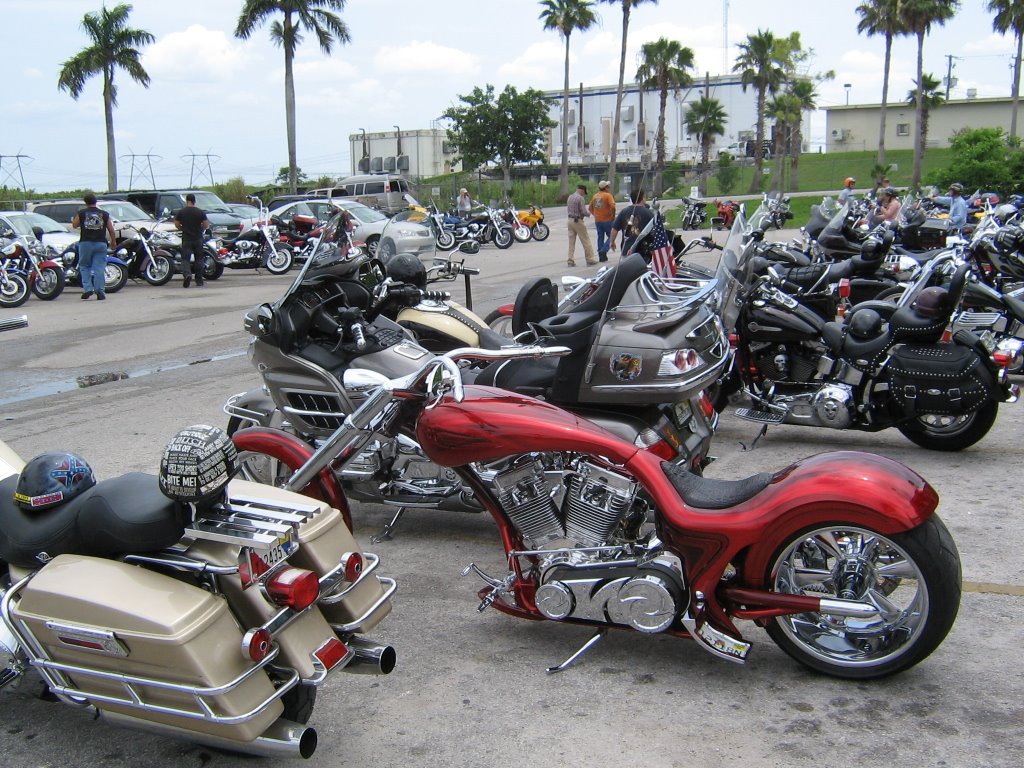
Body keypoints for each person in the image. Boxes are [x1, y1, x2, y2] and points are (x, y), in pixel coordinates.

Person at [71, 192, 116, 301]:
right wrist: (113, 241)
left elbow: (74, 225)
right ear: (96, 201)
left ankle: (87, 289)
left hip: (85, 242)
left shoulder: (82, 213)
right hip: (101, 243)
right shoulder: (104, 214)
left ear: (85, 202)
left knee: (85, 265)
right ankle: (100, 291)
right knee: (99, 267)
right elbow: (111, 229)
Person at [174, 193, 209, 287]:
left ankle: (187, 274)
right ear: (194, 201)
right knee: (199, 259)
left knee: (185, 259)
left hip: (186, 238)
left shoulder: (182, 212)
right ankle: (199, 280)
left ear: (187, 200)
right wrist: (201, 229)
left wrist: (182, 228)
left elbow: (176, 223)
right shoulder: (200, 212)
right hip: (198, 238)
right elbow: (206, 224)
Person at [609, 188, 654, 255]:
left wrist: (612, 242)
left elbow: (614, 229)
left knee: (627, 265)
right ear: (642, 199)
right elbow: (654, 230)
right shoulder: (648, 213)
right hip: (643, 249)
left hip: (626, 248)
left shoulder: (623, 212)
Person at [566, 183, 597, 267]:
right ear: (582, 190)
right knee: (586, 240)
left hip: (570, 220)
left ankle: (570, 260)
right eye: (584, 192)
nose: (584, 194)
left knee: (571, 242)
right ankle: (590, 259)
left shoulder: (570, 197)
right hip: (578, 221)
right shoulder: (580, 198)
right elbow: (583, 211)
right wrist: (589, 214)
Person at [588, 179, 616, 262]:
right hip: (607, 219)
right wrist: (613, 215)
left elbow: (590, 208)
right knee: (611, 236)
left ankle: (601, 255)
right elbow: (613, 206)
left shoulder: (595, 196)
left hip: (598, 220)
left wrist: (595, 214)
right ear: (606, 188)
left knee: (600, 237)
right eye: (608, 186)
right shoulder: (608, 195)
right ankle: (604, 250)